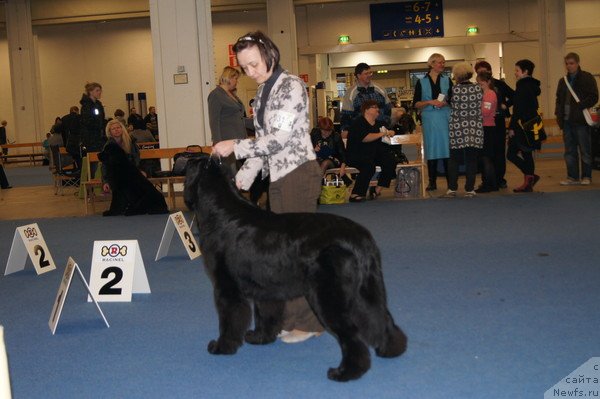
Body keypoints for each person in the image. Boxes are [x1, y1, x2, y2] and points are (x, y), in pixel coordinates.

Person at [212, 30, 324, 344]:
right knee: (282, 253)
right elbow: (264, 145)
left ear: (269, 53)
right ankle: (289, 318)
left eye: (255, 63)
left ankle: (310, 322)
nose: (251, 72)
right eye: (245, 68)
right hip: (280, 177)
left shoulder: (290, 86)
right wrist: (246, 175)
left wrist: (234, 146)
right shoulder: (263, 93)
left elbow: (278, 140)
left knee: (297, 252)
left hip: (298, 174)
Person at [555, 52, 599, 186]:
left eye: (571, 63)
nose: (569, 66)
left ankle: (586, 176)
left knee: (585, 150)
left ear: (578, 63)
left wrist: (580, 106)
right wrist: (558, 115)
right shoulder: (562, 81)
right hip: (567, 121)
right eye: (567, 64)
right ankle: (572, 177)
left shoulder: (587, 77)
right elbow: (558, 100)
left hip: (581, 121)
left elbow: (594, 97)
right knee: (569, 151)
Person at [413, 53, 452, 191]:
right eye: (440, 62)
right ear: (432, 64)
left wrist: (445, 102)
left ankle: (450, 183)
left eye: (443, 62)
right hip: (429, 119)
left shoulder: (448, 80)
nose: (442, 65)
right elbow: (416, 104)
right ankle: (432, 182)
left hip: (445, 117)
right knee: (431, 149)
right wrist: (430, 101)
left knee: (447, 149)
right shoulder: (421, 82)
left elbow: (453, 100)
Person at [444, 62, 483, 198]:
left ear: (457, 75)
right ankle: (470, 189)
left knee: (454, 159)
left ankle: (452, 188)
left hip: (457, 129)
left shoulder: (453, 89)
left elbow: (447, 103)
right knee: (471, 159)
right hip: (474, 128)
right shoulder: (478, 89)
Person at [346, 100, 397, 202]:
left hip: (373, 154)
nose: (378, 109)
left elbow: (390, 130)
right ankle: (356, 194)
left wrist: (391, 132)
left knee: (390, 160)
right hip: (356, 154)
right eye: (374, 107)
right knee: (368, 166)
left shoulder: (380, 124)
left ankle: (377, 189)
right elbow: (365, 138)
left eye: (377, 107)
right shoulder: (358, 123)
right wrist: (382, 134)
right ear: (366, 110)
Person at [474, 61, 514, 189]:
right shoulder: (477, 87)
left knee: (499, 152)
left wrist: (505, 105)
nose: (483, 74)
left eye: (485, 71)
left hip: (498, 121)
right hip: (485, 124)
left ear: (490, 71)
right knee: (486, 154)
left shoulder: (499, 84)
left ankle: (499, 179)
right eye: (480, 72)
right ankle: (488, 179)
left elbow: (513, 95)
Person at [507, 59, 543, 193]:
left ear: (525, 71)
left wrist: (511, 127)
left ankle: (530, 177)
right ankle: (529, 179)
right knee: (525, 154)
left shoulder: (523, 86)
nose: (515, 73)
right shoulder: (530, 85)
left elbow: (518, 109)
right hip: (530, 125)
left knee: (512, 154)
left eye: (517, 70)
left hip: (522, 126)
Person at [208, 66, 251, 174]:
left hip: (239, 142)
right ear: (229, 78)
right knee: (231, 176)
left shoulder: (232, 95)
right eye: (235, 78)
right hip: (226, 143)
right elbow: (214, 121)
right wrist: (218, 144)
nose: (237, 82)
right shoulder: (216, 95)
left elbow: (240, 118)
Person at [340, 62, 392, 138]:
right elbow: (346, 115)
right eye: (366, 73)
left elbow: (388, 109)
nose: (369, 75)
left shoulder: (380, 89)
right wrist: (345, 130)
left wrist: (386, 125)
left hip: (380, 128)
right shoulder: (350, 93)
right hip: (360, 131)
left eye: (370, 73)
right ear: (358, 76)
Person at [475, 71, 500, 193]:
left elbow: (485, 112)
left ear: (488, 82)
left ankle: (488, 184)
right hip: (484, 127)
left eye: (481, 84)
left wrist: (474, 109)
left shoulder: (490, 94)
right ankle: (491, 184)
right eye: (478, 84)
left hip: (488, 128)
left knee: (486, 158)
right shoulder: (485, 94)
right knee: (486, 158)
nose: (479, 86)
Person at [101, 119, 140, 195]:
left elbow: (136, 158)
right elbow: (105, 165)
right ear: (110, 132)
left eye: (118, 127)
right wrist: (105, 181)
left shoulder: (130, 142)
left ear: (122, 129)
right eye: (113, 129)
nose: (116, 130)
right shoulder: (108, 145)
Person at [310, 116, 351, 185]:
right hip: (319, 158)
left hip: (333, 159)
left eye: (329, 131)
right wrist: (313, 149)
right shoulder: (314, 133)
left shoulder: (336, 136)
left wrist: (343, 167)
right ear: (320, 129)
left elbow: (343, 153)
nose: (327, 133)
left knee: (325, 163)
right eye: (324, 131)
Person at [79, 82, 106, 157]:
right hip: (90, 138)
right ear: (90, 92)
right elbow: (87, 121)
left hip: (99, 137)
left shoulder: (98, 104)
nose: (100, 92)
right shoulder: (86, 106)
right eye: (97, 90)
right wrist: (98, 125)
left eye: (100, 90)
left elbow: (102, 119)